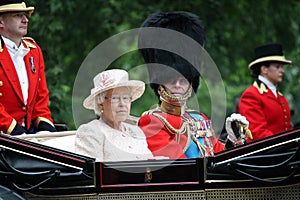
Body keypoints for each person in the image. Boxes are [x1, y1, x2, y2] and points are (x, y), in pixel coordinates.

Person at [138, 11, 250, 159]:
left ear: (191, 84)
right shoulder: (152, 120)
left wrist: (233, 141)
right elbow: (177, 164)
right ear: (159, 85)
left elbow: (218, 154)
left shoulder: (199, 118)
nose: (178, 85)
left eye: (183, 81)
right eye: (172, 81)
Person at [0, 0, 56, 135]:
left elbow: (41, 98)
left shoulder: (34, 50)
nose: (25, 20)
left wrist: (46, 130)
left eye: (25, 15)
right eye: (18, 15)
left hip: (28, 134)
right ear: (1, 21)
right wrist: (16, 131)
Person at [75, 69, 153, 162]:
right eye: (115, 98)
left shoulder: (136, 131)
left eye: (126, 98)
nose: (122, 104)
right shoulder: (90, 131)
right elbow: (93, 173)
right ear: (101, 103)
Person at [238, 43, 293, 141]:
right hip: (267, 153)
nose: (282, 71)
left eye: (282, 67)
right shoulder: (251, 95)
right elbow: (257, 132)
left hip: (285, 152)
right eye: (277, 67)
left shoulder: (280, 97)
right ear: (264, 69)